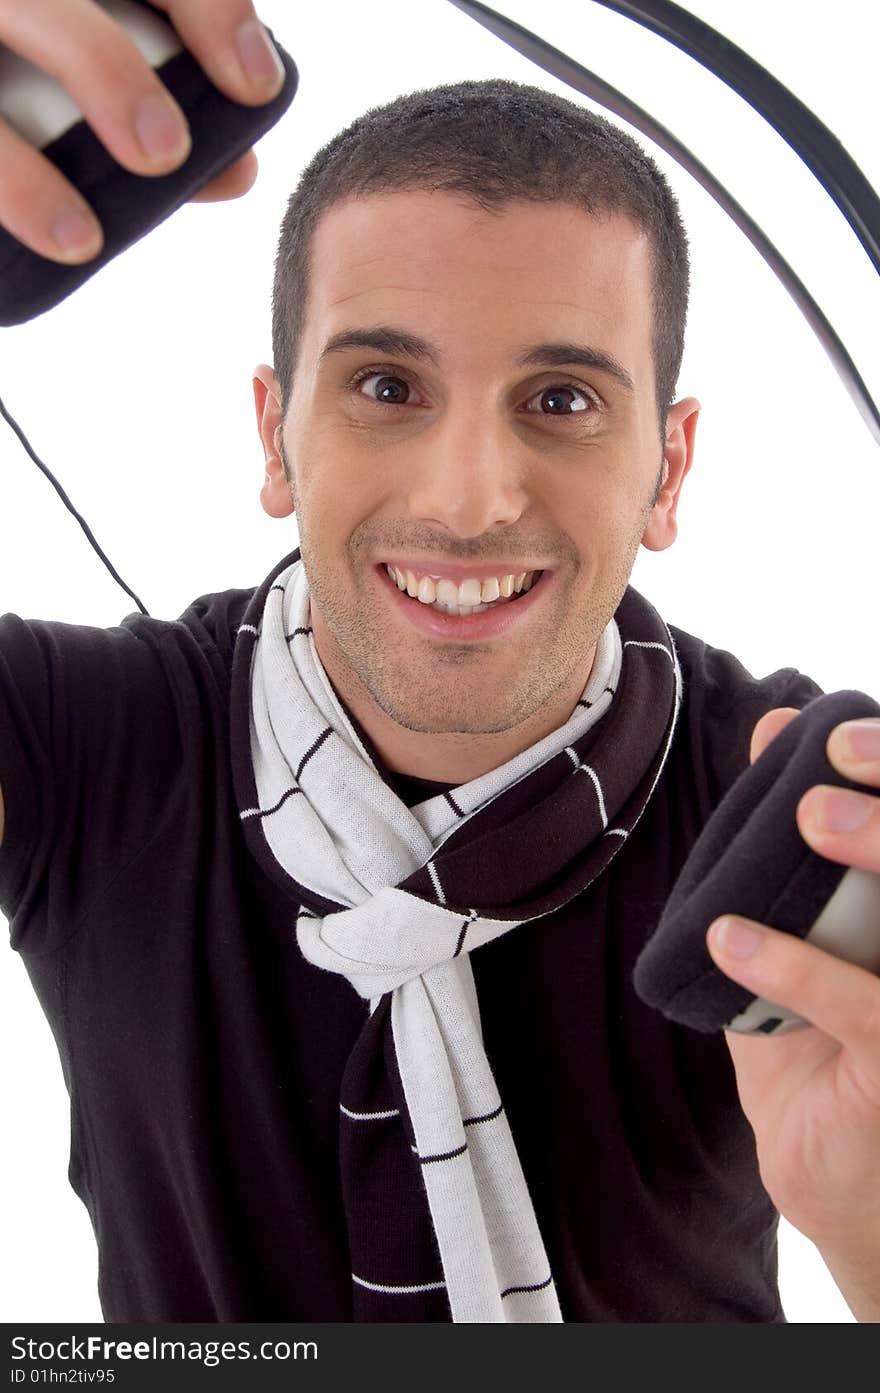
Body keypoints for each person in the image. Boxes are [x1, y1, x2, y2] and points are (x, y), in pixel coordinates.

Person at [1, 1, 879, 1325]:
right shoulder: (83, 742)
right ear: (275, 436)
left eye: (564, 400)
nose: (469, 501)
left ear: (670, 467)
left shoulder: (797, 834)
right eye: (388, 388)